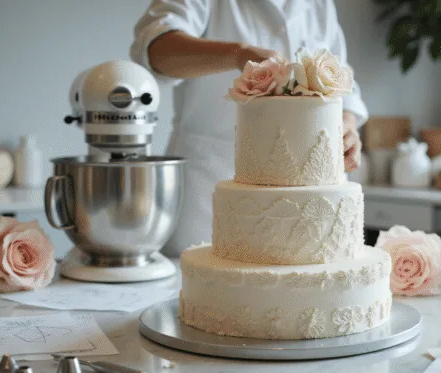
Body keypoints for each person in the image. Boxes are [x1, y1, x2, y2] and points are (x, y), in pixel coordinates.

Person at [130, 0, 367, 257]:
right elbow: (156, 50)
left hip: (309, 205)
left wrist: (346, 124)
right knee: (208, 272)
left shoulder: (319, 4)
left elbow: (343, 81)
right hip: (208, 189)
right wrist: (238, 54)